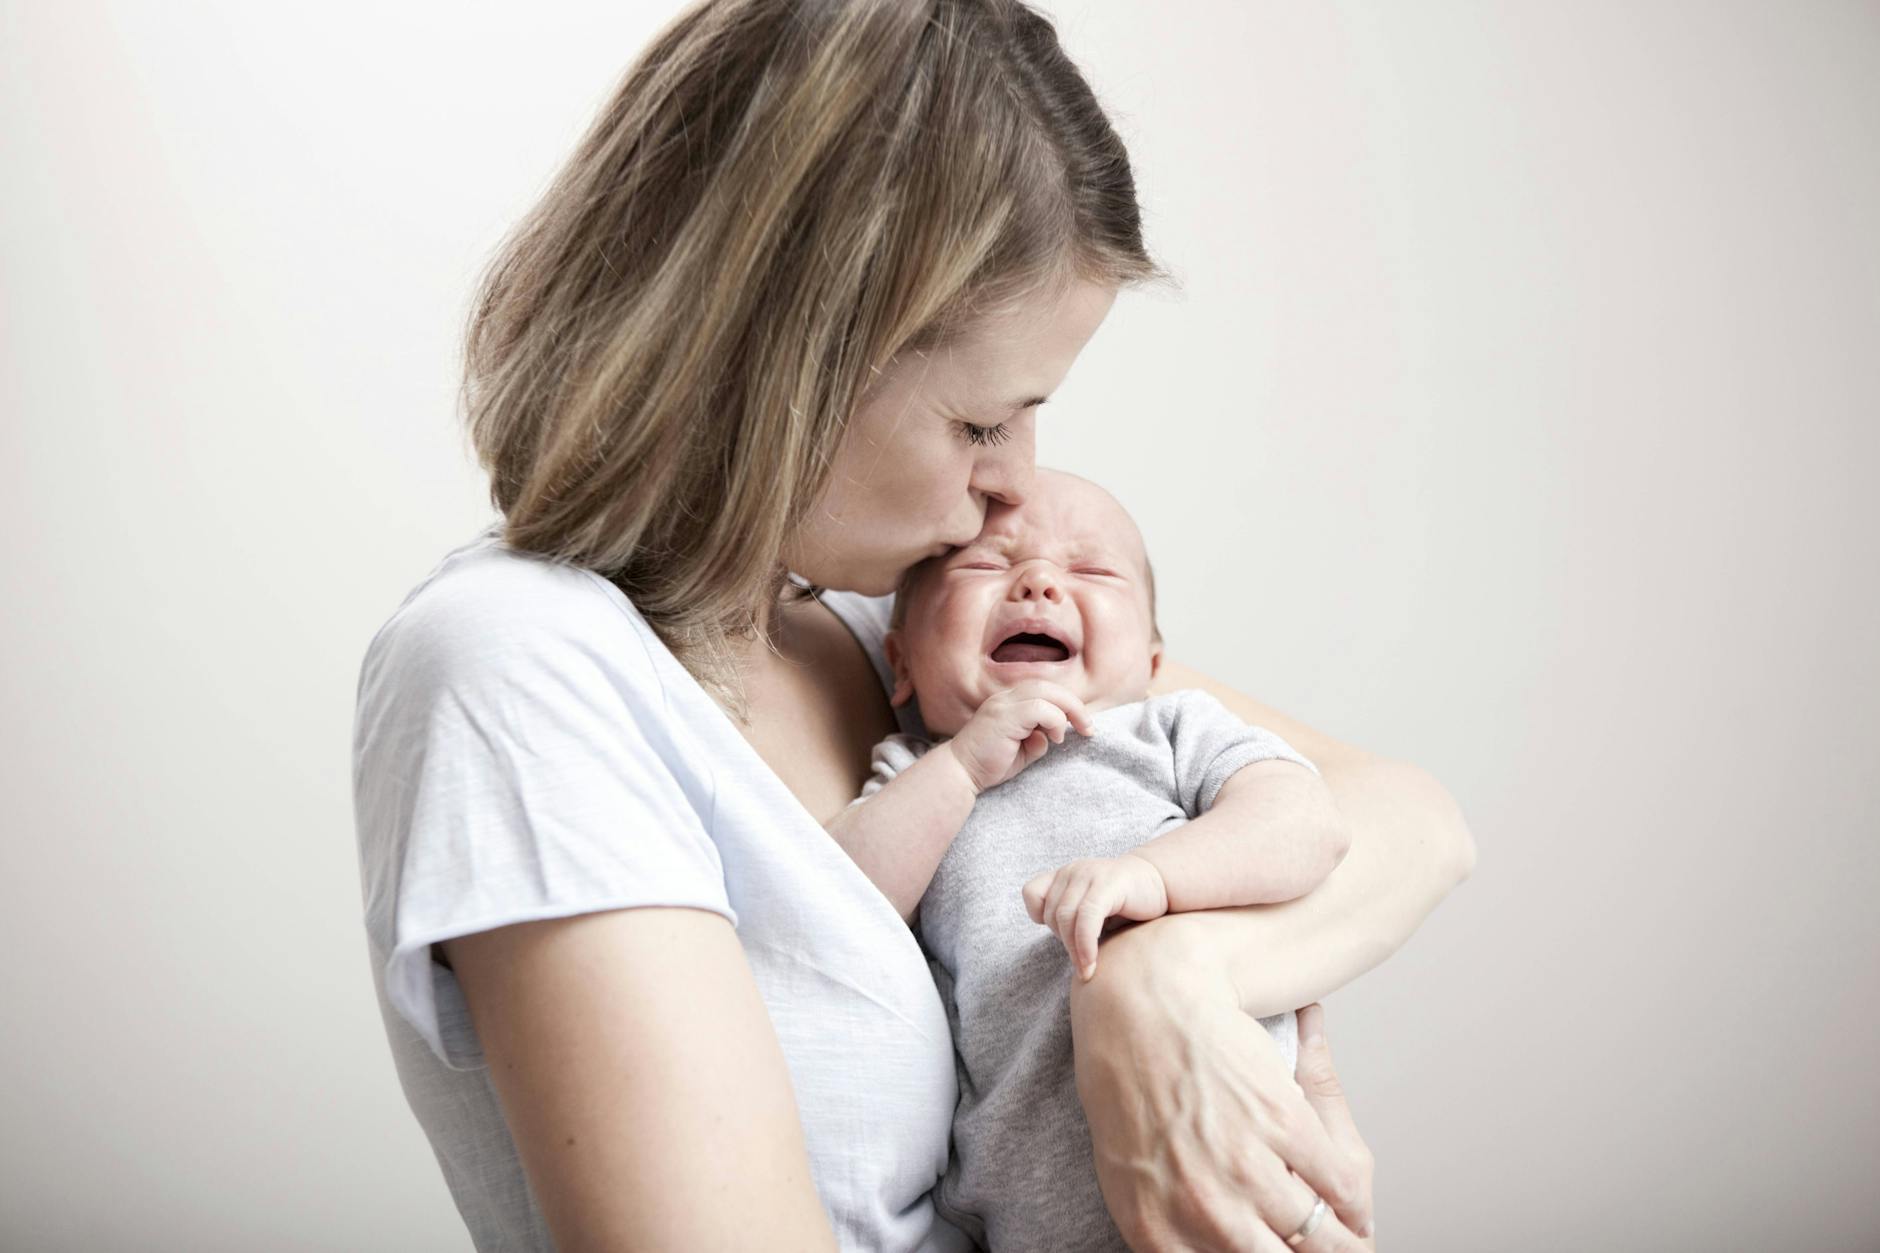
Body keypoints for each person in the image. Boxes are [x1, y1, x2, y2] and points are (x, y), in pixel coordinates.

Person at [351, 1, 1476, 1250]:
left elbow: (1406, 816)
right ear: (786, 359)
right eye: (981, 423)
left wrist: (1159, 977)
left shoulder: (882, 624)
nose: (1017, 485)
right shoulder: (521, 667)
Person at [827, 468, 1357, 1250]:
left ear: (1152, 661)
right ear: (900, 663)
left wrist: (1155, 874)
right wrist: (962, 767)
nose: (1038, 583)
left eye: (1092, 570)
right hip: (1025, 1222)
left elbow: (1306, 822)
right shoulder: (916, 774)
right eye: (986, 564)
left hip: (1237, 1178)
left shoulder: (1168, 729)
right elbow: (837, 902)